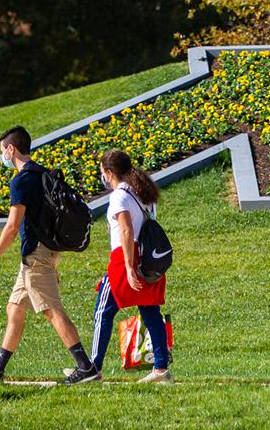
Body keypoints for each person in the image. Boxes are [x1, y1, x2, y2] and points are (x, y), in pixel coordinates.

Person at [0, 125, 100, 385]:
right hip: (40, 255)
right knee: (14, 308)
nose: (2, 156)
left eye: (3, 151)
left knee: (51, 310)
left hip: (36, 257)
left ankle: (85, 367)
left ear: (11, 149)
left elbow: (13, 226)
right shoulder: (41, 174)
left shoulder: (21, 181)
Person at [84, 149, 172, 384]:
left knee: (103, 311)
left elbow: (126, 231)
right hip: (148, 260)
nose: (102, 176)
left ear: (109, 172)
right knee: (150, 311)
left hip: (126, 259)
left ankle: (93, 367)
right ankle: (161, 369)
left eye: (102, 172)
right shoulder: (143, 192)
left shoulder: (120, 196)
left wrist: (129, 268)